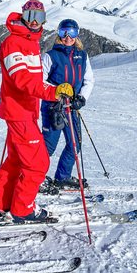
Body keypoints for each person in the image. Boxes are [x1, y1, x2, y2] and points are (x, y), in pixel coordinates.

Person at [0, 0, 74, 224]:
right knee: (38, 164)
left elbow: (33, 79)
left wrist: (52, 91)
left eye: (39, 16)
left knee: (16, 160)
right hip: (18, 112)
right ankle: (22, 209)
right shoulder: (13, 42)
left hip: (25, 111)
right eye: (30, 16)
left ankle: (2, 204)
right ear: (23, 16)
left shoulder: (30, 41)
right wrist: (52, 93)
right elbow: (21, 79)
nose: (35, 22)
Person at [40, 18, 94, 191]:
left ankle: (62, 177)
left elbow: (89, 80)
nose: (68, 37)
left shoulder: (82, 56)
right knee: (48, 146)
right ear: (58, 33)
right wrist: (56, 91)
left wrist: (82, 98)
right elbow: (39, 81)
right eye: (64, 32)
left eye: (72, 33)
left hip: (72, 108)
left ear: (77, 35)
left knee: (75, 143)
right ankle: (36, 178)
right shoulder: (50, 56)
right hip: (53, 108)